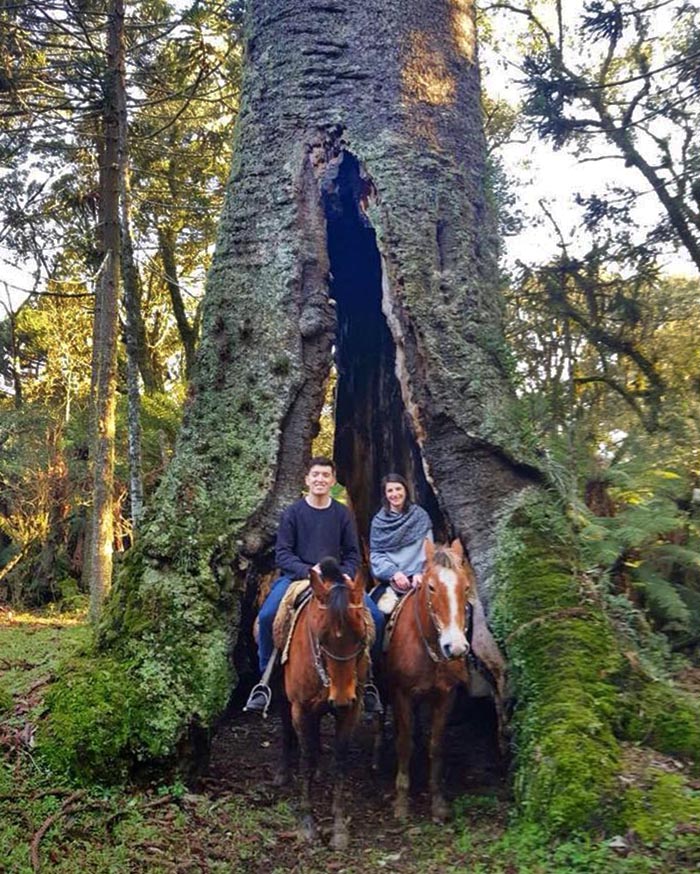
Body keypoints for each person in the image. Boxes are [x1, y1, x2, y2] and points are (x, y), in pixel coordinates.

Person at [245, 456, 385, 714]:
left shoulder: (342, 514)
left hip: (338, 580)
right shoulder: (292, 513)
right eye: (316, 475)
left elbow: (353, 553)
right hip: (298, 578)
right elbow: (283, 554)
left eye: (325, 475)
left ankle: (369, 682)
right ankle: (264, 682)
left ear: (332, 481)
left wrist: (342, 573)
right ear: (307, 479)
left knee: (374, 616)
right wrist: (309, 571)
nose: (320, 479)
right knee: (266, 617)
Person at [370, 473, 433, 614]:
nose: (395, 494)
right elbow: (376, 555)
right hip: (392, 582)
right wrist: (394, 573)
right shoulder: (378, 523)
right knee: (375, 615)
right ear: (385, 495)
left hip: (421, 579)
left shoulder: (420, 516)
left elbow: (429, 550)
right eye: (390, 490)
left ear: (405, 490)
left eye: (398, 489)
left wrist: (421, 573)